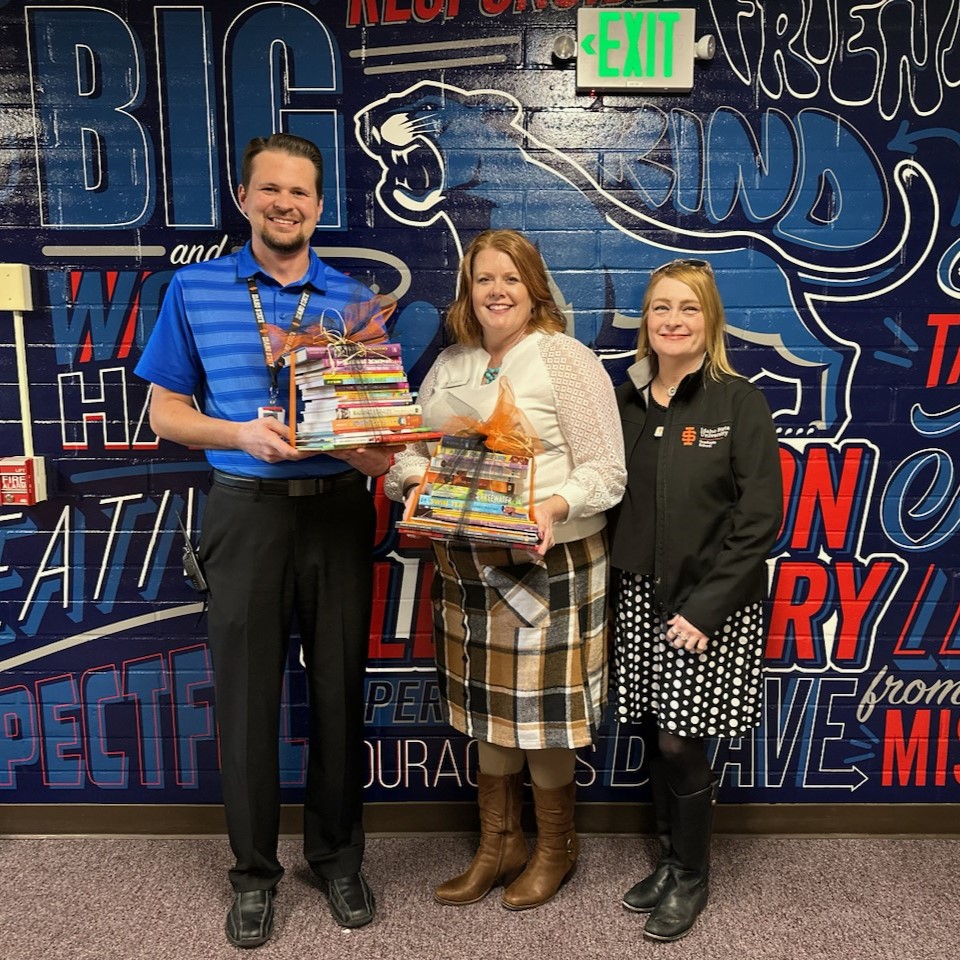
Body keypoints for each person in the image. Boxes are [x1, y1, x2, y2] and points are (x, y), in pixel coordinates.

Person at [135, 133, 396, 948]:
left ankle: (337, 857)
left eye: (302, 193)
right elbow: (165, 413)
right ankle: (253, 874)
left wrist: (356, 445)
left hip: (337, 512)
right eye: (271, 190)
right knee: (247, 702)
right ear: (245, 198)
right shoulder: (195, 288)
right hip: (245, 512)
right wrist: (239, 435)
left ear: (321, 206)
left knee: (338, 695)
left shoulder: (353, 303)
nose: (286, 204)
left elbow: (382, 445)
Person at [385, 229, 626, 911]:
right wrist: (409, 481)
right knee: (488, 717)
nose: (497, 291)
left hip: (545, 563)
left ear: (536, 289)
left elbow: (608, 471)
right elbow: (410, 450)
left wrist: (553, 504)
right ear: (468, 291)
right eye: (484, 279)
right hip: (464, 568)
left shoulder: (565, 359)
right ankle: (499, 844)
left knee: (542, 719)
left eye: (511, 279)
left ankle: (555, 848)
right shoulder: (452, 364)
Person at [608, 258, 783, 942]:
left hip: (709, 605)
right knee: (654, 729)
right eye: (659, 308)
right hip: (638, 594)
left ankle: (690, 877)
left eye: (687, 308)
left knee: (682, 742)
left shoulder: (737, 401)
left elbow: (759, 517)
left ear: (709, 320)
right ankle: (671, 856)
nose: (672, 321)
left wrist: (706, 607)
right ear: (645, 321)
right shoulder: (626, 401)